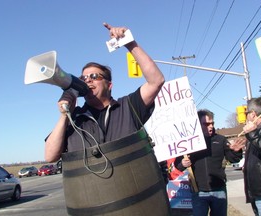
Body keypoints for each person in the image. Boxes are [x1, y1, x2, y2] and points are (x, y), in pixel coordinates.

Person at [44, 23, 170, 215]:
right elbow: (50, 156)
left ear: (109, 85)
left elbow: (156, 80)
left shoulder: (129, 106)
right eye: (83, 77)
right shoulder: (74, 120)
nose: (88, 80)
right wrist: (64, 116)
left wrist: (129, 43)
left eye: (94, 76)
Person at [174, 109, 244, 216]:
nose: (210, 126)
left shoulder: (220, 140)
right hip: (198, 192)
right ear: (198, 124)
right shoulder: (189, 143)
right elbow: (177, 164)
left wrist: (236, 151)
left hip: (219, 190)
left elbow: (233, 159)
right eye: (206, 124)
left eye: (212, 123)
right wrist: (183, 164)